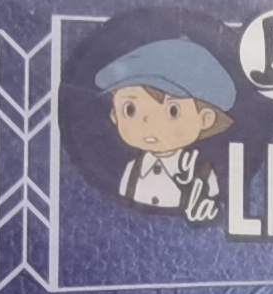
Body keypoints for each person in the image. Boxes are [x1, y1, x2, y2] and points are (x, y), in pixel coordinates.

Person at [94, 36, 235, 223]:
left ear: (205, 119)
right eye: (130, 109)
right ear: (114, 116)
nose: (148, 122)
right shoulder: (132, 171)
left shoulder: (203, 174)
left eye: (173, 111)